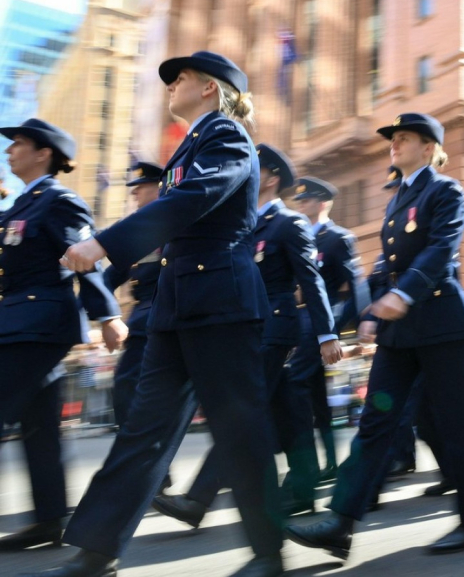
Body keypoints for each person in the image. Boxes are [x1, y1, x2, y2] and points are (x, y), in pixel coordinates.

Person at [29, 51, 298, 577]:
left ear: (210, 89)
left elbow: (193, 201)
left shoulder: (226, 135)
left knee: (240, 432)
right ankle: (97, 549)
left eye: (181, 78)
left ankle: (268, 553)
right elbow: (169, 224)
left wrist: (105, 243)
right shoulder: (191, 147)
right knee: (144, 430)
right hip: (181, 305)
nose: (170, 85)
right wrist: (105, 283)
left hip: (221, 304)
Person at [285, 112, 464, 560]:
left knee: (453, 423)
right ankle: (341, 522)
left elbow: (442, 249)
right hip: (400, 331)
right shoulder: (398, 199)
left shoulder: (445, 190)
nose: (394, 144)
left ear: (428, 148)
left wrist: (404, 293)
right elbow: (385, 264)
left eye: (404, 138)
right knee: (375, 421)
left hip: (440, 324)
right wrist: (372, 311)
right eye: (393, 138)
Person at [152, 143, 339, 526]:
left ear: (268, 178)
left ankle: (197, 499)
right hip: (240, 325)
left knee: (237, 414)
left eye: (253, 168)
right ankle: (303, 486)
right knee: (286, 410)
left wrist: (326, 334)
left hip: (273, 327)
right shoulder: (238, 221)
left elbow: (311, 281)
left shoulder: (289, 223)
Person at [0, 119, 126, 552]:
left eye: (18, 143)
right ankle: (49, 519)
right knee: (39, 425)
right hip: (17, 323)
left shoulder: (58, 201)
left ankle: (51, 518)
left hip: (39, 323)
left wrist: (107, 315)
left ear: (43, 153)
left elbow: (82, 257)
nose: (10, 150)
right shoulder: (20, 205)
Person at [288, 176, 369, 485]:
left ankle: (304, 467)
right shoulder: (296, 235)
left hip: (320, 323)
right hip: (299, 323)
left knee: (294, 385)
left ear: (322, 203)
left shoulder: (337, 238)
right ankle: (332, 464)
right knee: (318, 400)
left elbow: (356, 280)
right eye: (299, 201)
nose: (301, 205)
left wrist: (360, 320)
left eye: (307, 200)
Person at [102, 163, 163, 429]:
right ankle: (145, 464)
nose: (134, 193)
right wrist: (105, 314)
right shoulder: (138, 230)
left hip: (173, 314)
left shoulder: (179, 224)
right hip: (144, 320)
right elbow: (110, 277)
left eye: (140, 187)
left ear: (160, 187)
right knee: (127, 386)